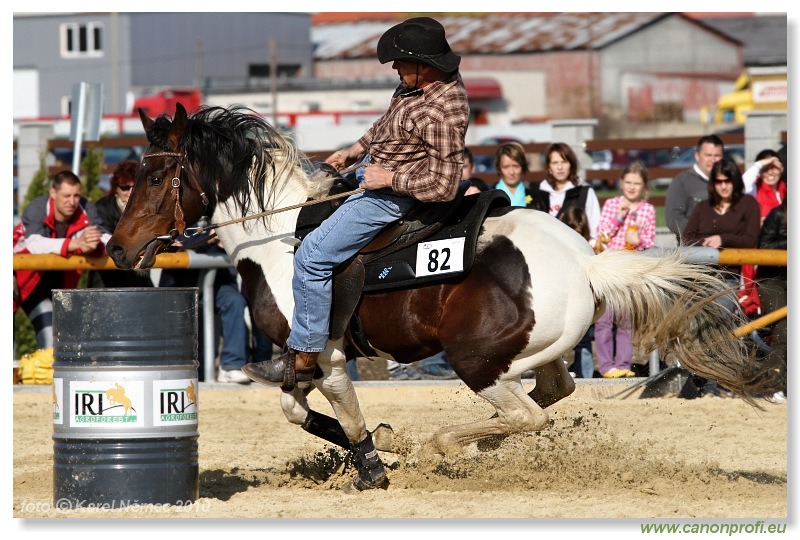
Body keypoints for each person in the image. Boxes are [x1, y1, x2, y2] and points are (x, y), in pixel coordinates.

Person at [243, 16, 469, 390]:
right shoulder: (412, 88)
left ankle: (302, 356)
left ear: (424, 66)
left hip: (394, 199)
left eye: (400, 61)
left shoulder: (442, 109)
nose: (395, 67)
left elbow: (445, 185)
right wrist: (355, 150)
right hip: (375, 176)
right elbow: (388, 123)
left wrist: (388, 179)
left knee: (313, 254)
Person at [682, 158, 760, 397]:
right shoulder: (703, 207)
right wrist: (708, 246)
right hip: (701, 276)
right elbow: (686, 238)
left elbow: (751, 239)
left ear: (734, 181)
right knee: (692, 324)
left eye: (727, 180)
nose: (723, 186)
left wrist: (722, 240)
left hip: (730, 278)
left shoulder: (748, 204)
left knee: (715, 321)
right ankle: (704, 379)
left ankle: (714, 381)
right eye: (718, 181)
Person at [13, 170, 110, 349]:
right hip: (19, 279)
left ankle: (49, 376)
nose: (72, 202)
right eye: (66, 195)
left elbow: (104, 237)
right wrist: (75, 243)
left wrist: (94, 244)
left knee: (60, 339)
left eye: (76, 195)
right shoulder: (38, 207)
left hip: (56, 284)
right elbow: (35, 245)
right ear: (53, 193)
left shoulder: (85, 208)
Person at [594, 161, 656, 378]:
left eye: (636, 183)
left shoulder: (647, 210)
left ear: (644, 186)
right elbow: (602, 234)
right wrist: (618, 217)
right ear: (621, 183)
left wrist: (638, 240)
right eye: (628, 182)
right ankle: (605, 366)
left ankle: (623, 364)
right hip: (610, 267)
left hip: (631, 269)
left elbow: (649, 241)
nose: (631, 187)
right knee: (604, 320)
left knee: (625, 320)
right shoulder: (612, 204)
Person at [88, 159, 154, 288]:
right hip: (105, 282)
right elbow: (102, 237)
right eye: (125, 187)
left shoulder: (150, 210)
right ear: (115, 188)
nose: (130, 192)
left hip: (139, 282)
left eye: (135, 187)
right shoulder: (103, 207)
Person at [528, 142, 602, 246]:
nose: (560, 167)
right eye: (555, 163)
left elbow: (597, 230)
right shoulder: (538, 193)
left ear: (571, 164)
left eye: (564, 161)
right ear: (549, 167)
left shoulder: (584, 192)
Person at [558, 206, 595, 379]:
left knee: (584, 342)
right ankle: (561, 374)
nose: (574, 234)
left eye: (577, 231)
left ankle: (585, 377)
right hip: (563, 303)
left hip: (582, 302)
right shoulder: (556, 250)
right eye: (570, 229)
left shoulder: (589, 249)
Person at [664, 134, 724, 242]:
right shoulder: (682, 181)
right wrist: (702, 234)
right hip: (694, 251)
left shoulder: (729, 181)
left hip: (727, 249)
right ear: (697, 156)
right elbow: (673, 219)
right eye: (708, 155)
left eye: (717, 155)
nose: (713, 160)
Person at [756, 198, 787, 401]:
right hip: (772, 279)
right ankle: (771, 384)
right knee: (784, 329)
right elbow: (764, 245)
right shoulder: (777, 215)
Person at [740, 149, 786, 224]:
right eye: (765, 169)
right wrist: (760, 164)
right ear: (759, 172)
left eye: (774, 167)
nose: (770, 172)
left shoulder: (786, 189)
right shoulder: (755, 190)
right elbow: (742, 184)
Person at [493, 142, 535, 207]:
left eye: (516, 166)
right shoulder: (489, 197)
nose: (511, 172)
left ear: (523, 166)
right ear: (499, 168)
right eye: (506, 167)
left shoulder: (536, 197)